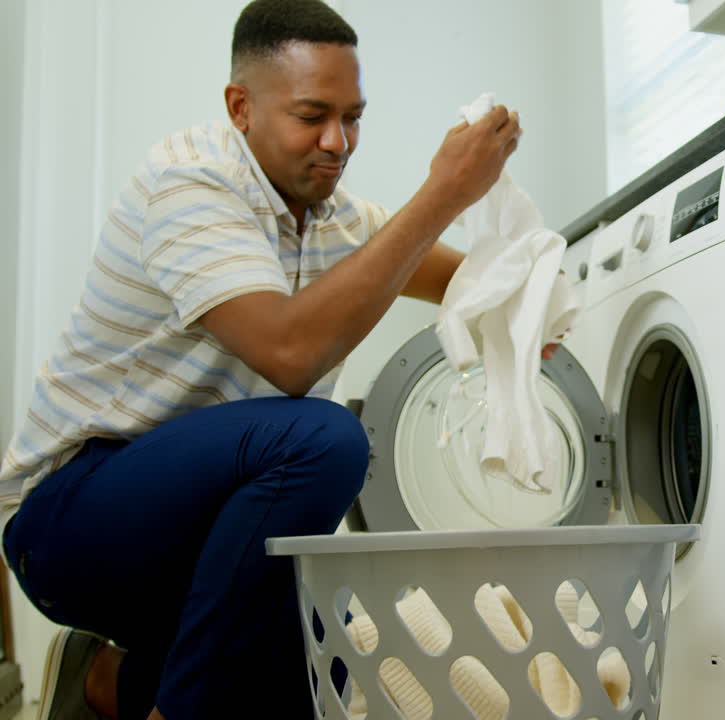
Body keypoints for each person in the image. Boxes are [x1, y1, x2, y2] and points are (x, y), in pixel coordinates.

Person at [0, 1, 522, 718]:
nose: (338, 141)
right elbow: (291, 354)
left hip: (195, 539)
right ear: (241, 107)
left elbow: (471, 284)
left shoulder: (343, 222)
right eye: (312, 115)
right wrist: (444, 191)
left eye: (353, 116)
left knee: (319, 684)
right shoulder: (190, 183)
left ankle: (107, 684)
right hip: (69, 524)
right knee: (323, 436)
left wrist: (532, 307)